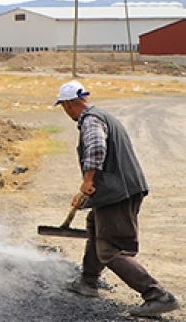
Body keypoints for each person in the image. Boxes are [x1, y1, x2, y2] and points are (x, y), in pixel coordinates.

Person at [56, 80, 180, 318]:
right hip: (119, 191)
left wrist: (88, 180)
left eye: (64, 106)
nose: (66, 112)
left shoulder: (90, 121)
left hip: (118, 194)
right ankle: (88, 281)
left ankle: (157, 295)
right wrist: (88, 190)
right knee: (94, 225)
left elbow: (96, 148)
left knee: (111, 249)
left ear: (71, 104)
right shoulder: (101, 116)